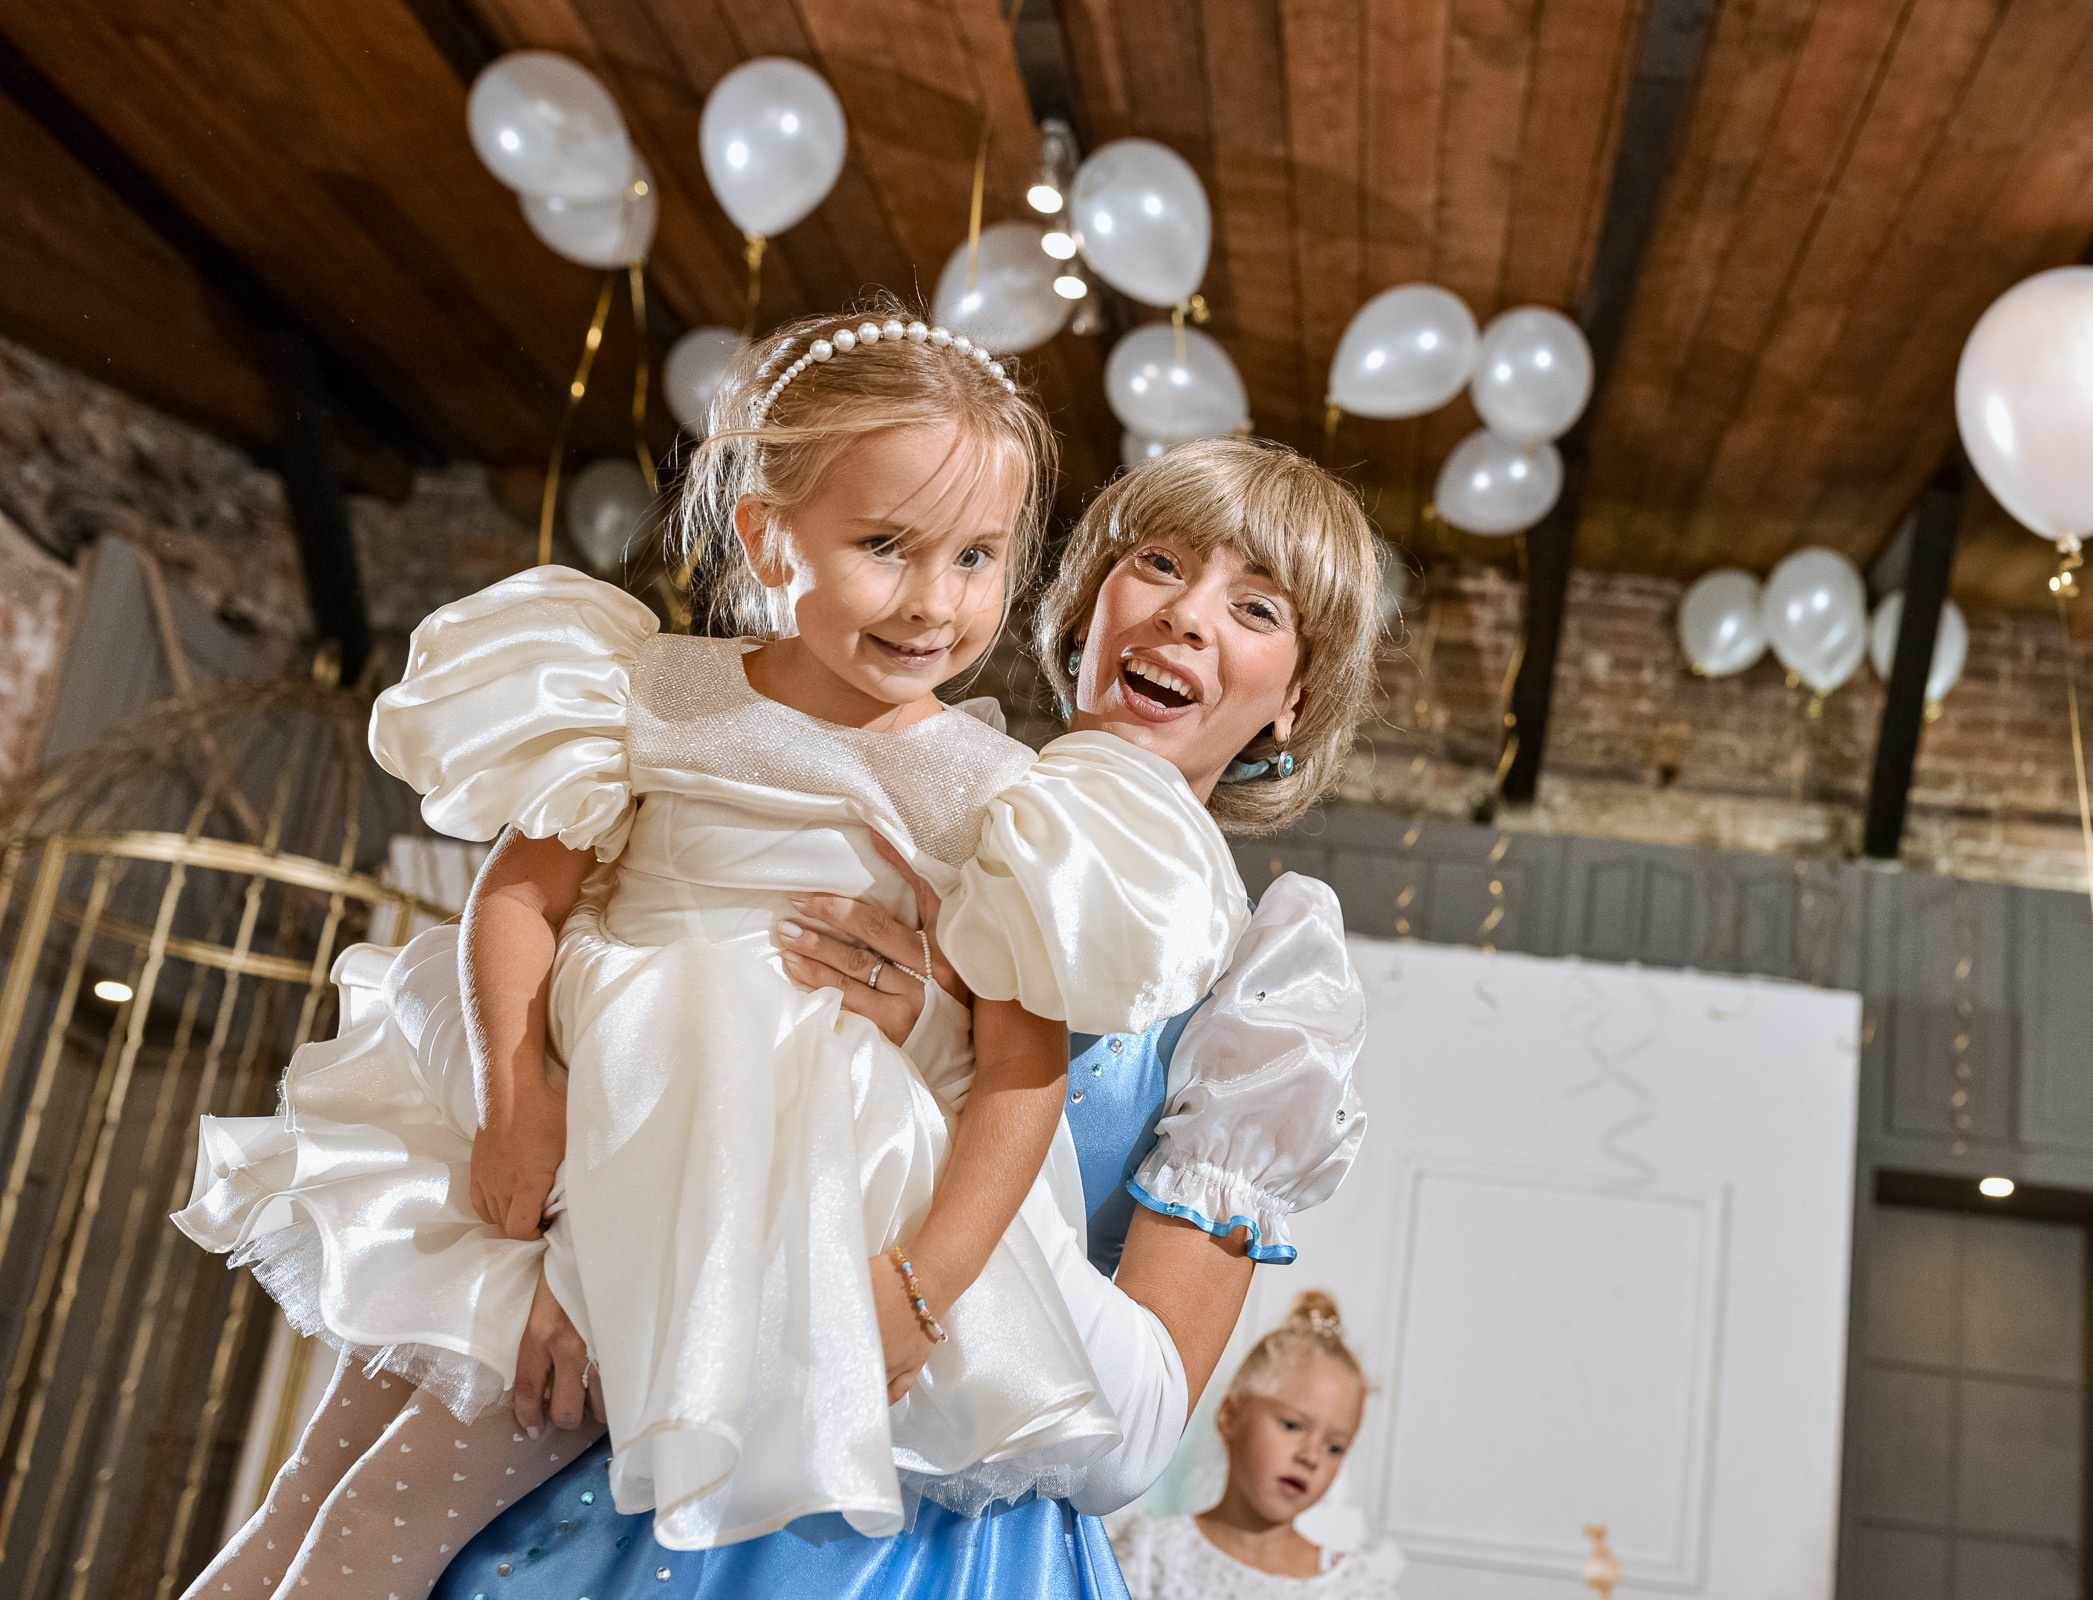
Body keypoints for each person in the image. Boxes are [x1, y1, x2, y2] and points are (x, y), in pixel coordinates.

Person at [172, 302, 1260, 1596]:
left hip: (736, 1189)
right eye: (885, 546)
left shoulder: (988, 791)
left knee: (393, 1516)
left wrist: (922, 1291)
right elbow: (518, 894)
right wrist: (519, 1099)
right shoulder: (654, 689)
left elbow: (1021, 1074)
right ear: (766, 535)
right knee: (314, 1488)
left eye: (976, 558)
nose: (933, 601)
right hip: (570, 1119)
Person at [426, 437, 1387, 1598]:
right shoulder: (896, 788)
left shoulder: (1262, 987)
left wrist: (955, 1060)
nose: (1185, 617)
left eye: (1255, 606)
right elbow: (650, 1052)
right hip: (672, 1446)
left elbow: (1129, 1441)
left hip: (942, 1545)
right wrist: (587, 1258)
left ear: (1295, 698)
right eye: (1159, 562)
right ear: (1084, 606)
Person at [1111, 1292, 1401, 1600]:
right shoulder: (1150, 1555)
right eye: (1292, 1425)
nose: (1311, 1457)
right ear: (1230, 1416)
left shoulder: (1357, 1588)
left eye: (1335, 1447)